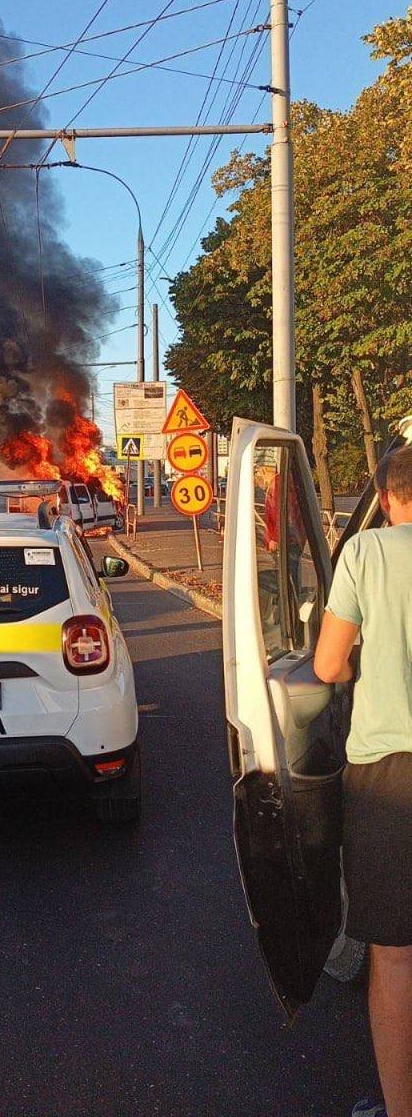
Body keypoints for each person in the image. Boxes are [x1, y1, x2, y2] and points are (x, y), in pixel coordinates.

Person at [315, 444, 412, 1117]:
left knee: (396, 958)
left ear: (387, 495)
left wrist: (359, 668)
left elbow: (325, 666)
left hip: (389, 778)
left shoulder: (367, 554)